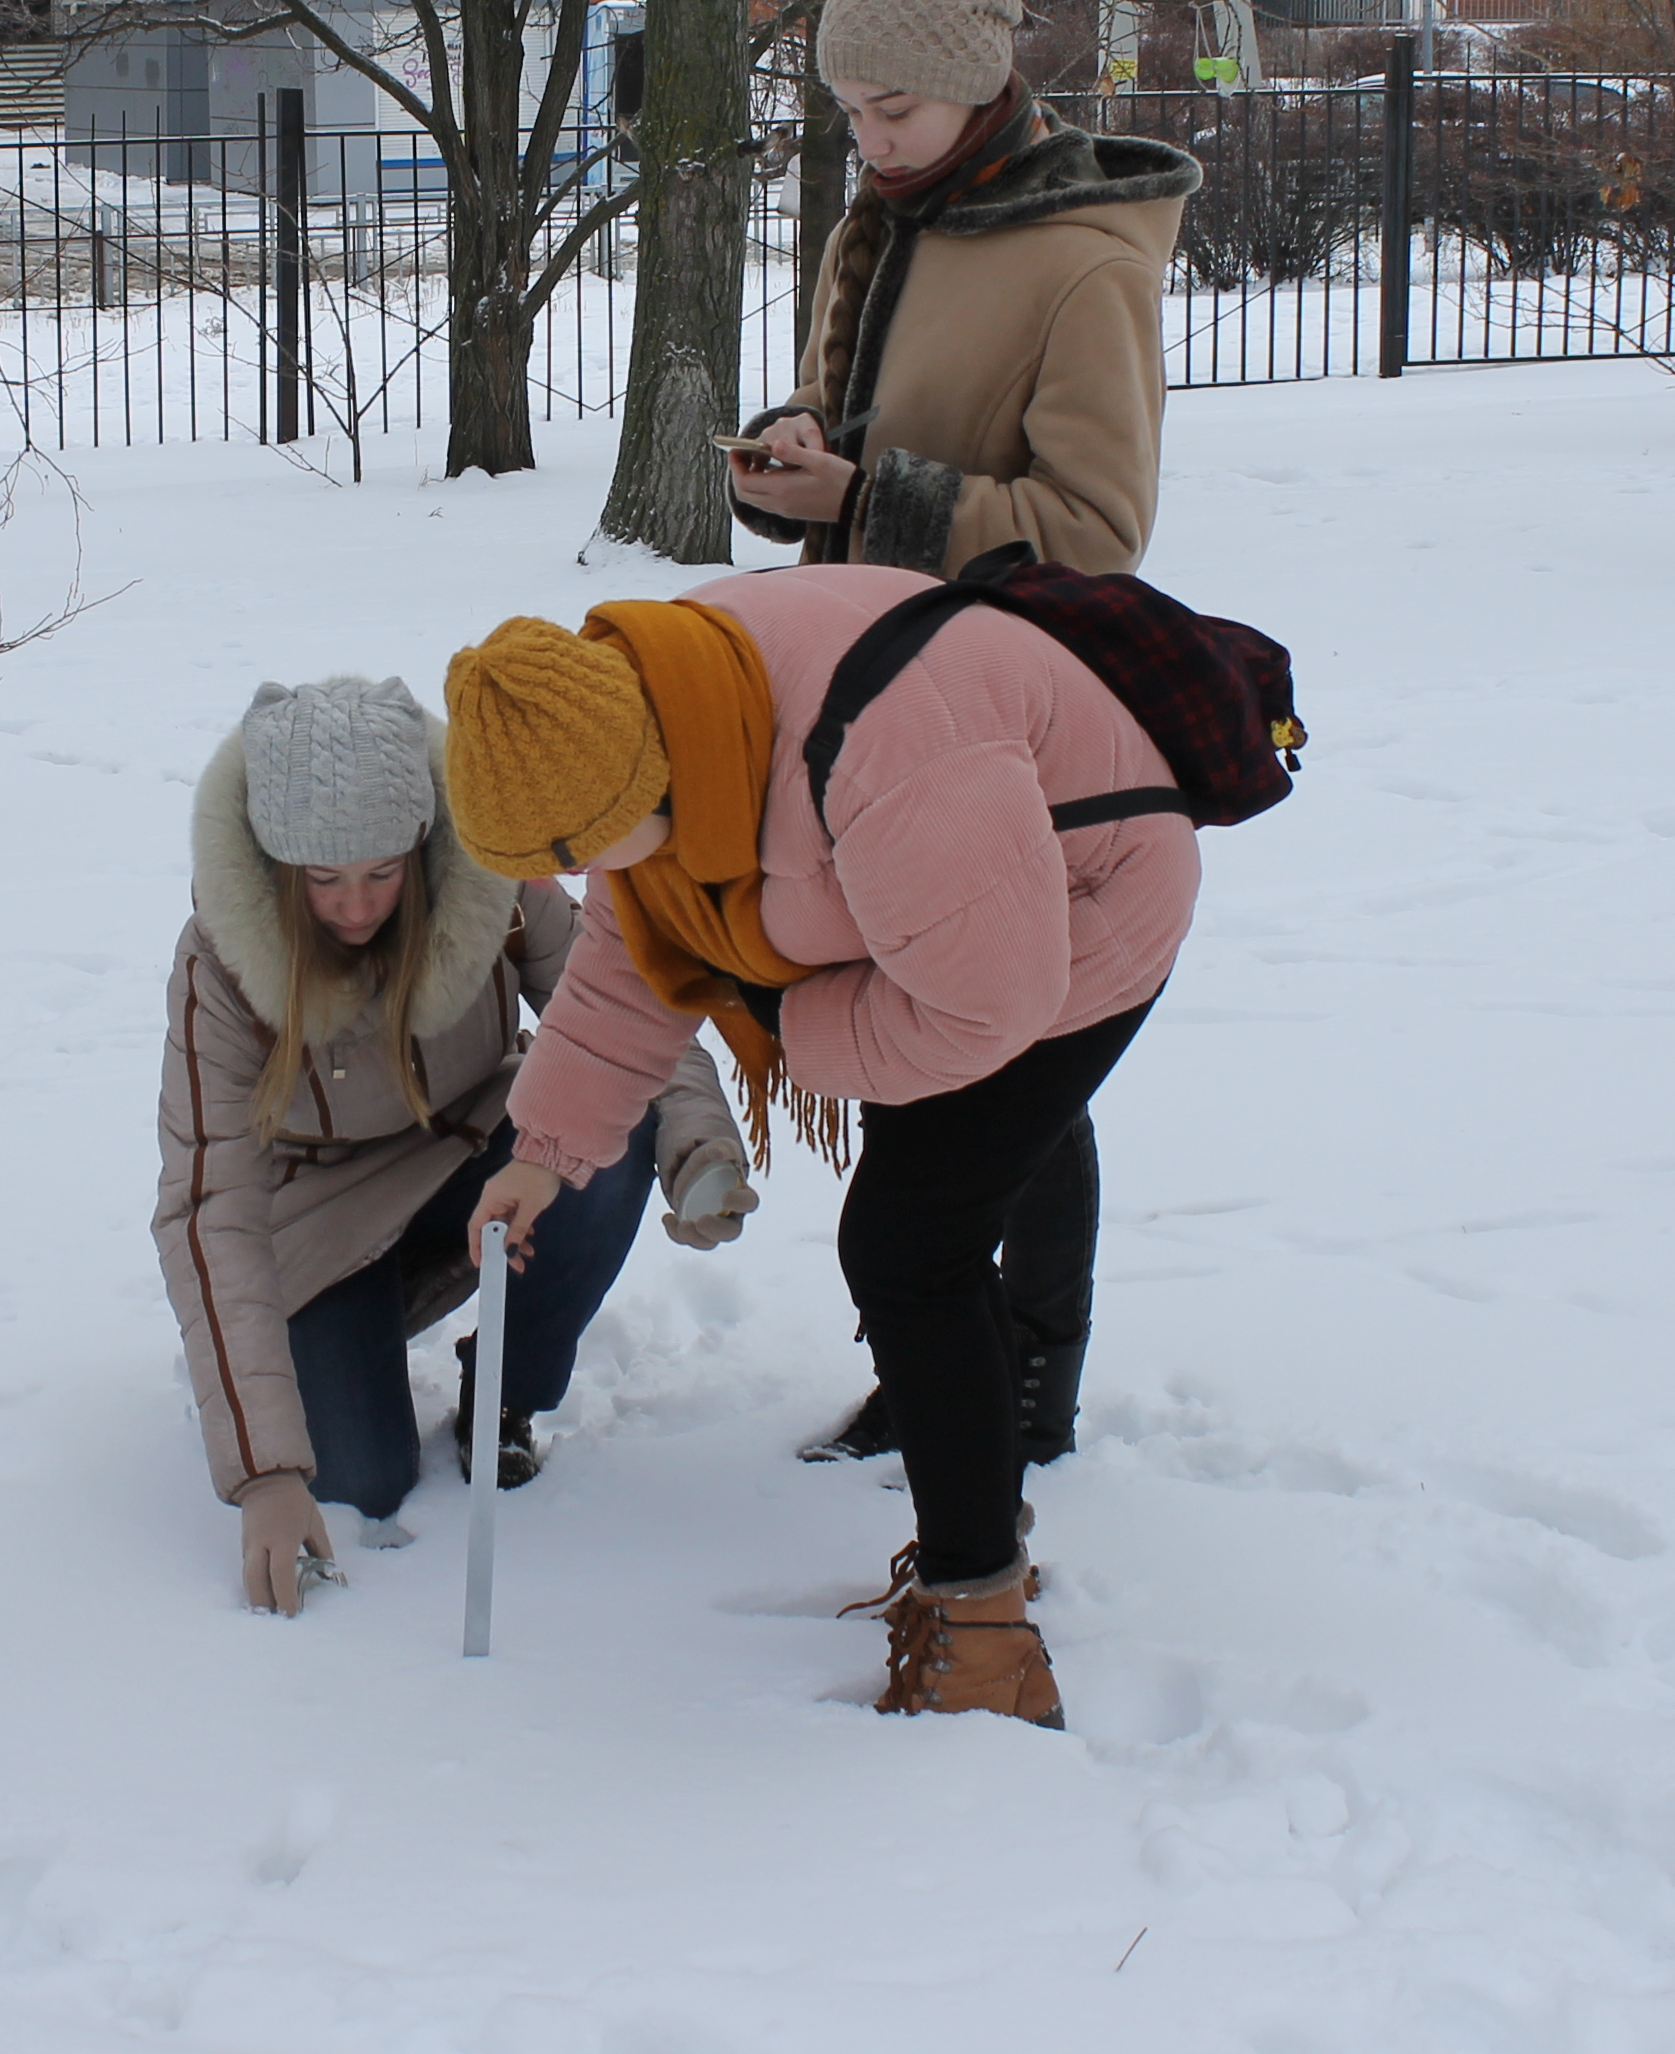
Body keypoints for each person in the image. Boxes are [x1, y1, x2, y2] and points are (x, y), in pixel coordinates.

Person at [435, 571, 1200, 1723]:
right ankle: (981, 1521)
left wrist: (789, 1025)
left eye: (587, 846)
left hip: (1079, 921)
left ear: (640, 776)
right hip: (926, 923)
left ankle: (985, 1638)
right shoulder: (656, 717)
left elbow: (989, 1003)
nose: (588, 874)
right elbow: (631, 955)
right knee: (915, 1240)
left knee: (910, 1247)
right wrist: (542, 1150)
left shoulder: (886, 755)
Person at [726, 0, 1202, 1475]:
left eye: (894, 111)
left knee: (1011, 1060)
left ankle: (1022, 1376)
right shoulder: (892, 217)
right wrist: (794, 458)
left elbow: (1096, 529)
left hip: (1014, 726)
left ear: (981, 80)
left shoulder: (1083, 257)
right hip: (874, 708)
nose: (867, 140)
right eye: (846, 111)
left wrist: (867, 493)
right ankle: (944, 1355)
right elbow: (858, 426)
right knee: (931, 1043)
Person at [155, 674, 750, 1616]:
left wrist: (699, 1145)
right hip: (321, 1213)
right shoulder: (219, 962)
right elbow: (207, 1207)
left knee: (614, 1121)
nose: (356, 907)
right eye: (324, 880)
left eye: (382, 873)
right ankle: (345, 1340)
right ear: (275, 865)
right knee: (361, 1480)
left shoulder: (496, 884)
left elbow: (618, 1014)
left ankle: (505, 1394)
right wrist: (264, 1475)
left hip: (482, 1149)